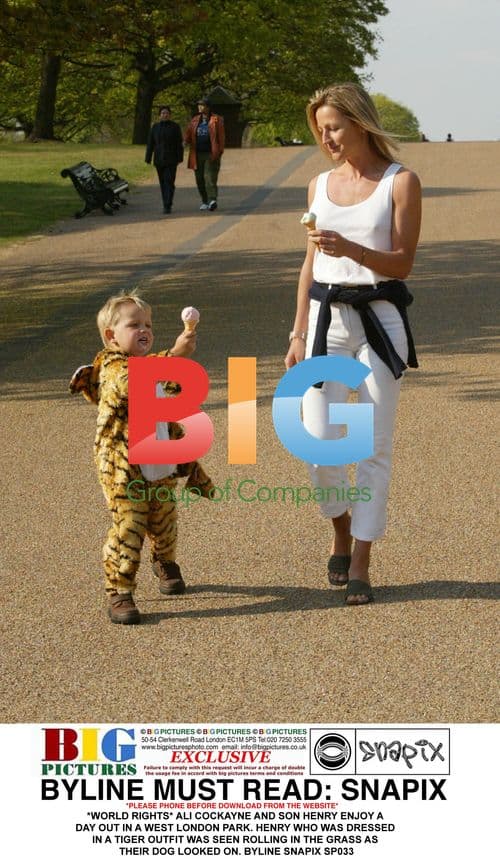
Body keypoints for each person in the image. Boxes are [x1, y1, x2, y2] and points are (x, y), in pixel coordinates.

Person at [285, 82, 421, 605]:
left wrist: (351, 249)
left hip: (379, 322)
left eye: (335, 127)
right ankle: (340, 525)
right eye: (320, 130)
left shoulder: (400, 182)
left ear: (360, 124)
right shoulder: (318, 185)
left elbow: (403, 263)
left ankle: (362, 556)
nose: (327, 138)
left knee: (373, 445)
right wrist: (298, 332)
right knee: (317, 437)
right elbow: (309, 264)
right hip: (325, 323)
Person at [69, 292, 214, 624]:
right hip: (123, 465)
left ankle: (164, 560)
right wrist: (174, 354)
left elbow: (173, 392)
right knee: (130, 523)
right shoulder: (110, 366)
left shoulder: (151, 364)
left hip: (158, 455)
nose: (144, 330)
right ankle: (119, 589)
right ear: (111, 336)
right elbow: (131, 382)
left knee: (164, 515)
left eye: (148, 324)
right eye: (134, 325)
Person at [184, 97, 225, 211]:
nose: (199, 107)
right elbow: (188, 134)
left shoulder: (216, 119)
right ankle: (205, 201)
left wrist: (219, 152)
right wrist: (184, 141)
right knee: (199, 179)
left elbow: (221, 137)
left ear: (208, 107)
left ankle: (212, 200)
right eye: (199, 105)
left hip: (211, 153)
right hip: (197, 154)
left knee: (209, 177)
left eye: (202, 105)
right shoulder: (195, 120)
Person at [145, 105, 184, 214]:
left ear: (170, 115)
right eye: (163, 113)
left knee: (169, 181)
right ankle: (165, 202)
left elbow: (179, 143)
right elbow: (150, 143)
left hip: (171, 159)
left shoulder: (175, 127)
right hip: (159, 159)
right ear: (159, 115)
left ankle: (168, 204)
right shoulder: (155, 127)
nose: (165, 115)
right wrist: (148, 157)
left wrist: (180, 157)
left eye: (167, 113)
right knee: (162, 182)